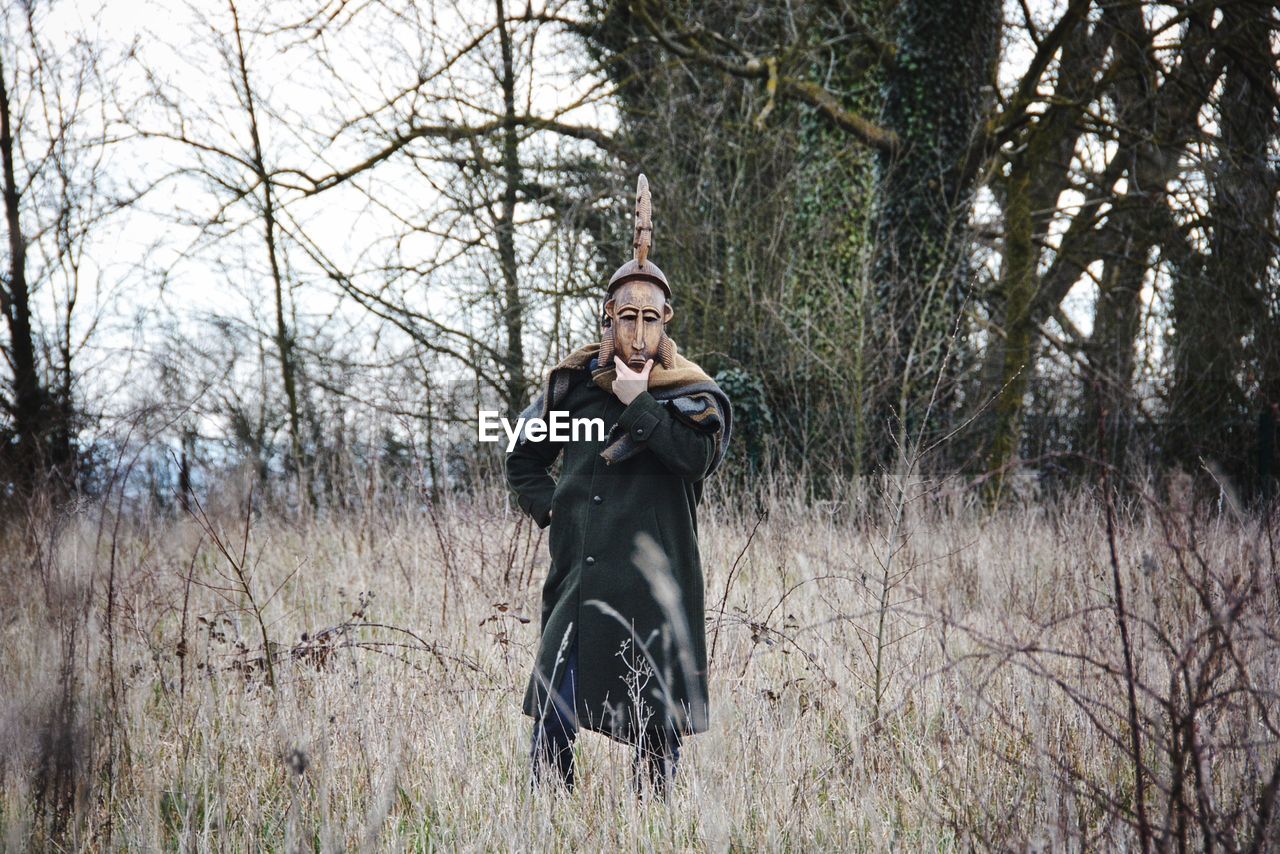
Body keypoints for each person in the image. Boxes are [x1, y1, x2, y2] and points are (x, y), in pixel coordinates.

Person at [506, 175, 732, 797]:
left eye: (649, 319)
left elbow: (695, 461)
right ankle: (551, 816)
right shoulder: (574, 387)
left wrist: (639, 404)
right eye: (626, 317)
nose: (637, 333)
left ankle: (648, 824)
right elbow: (522, 455)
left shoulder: (690, 395)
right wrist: (551, 509)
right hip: (582, 577)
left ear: (667, 322)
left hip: (656, 581)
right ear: (608, 316)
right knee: (554, 707)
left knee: (656, 724)